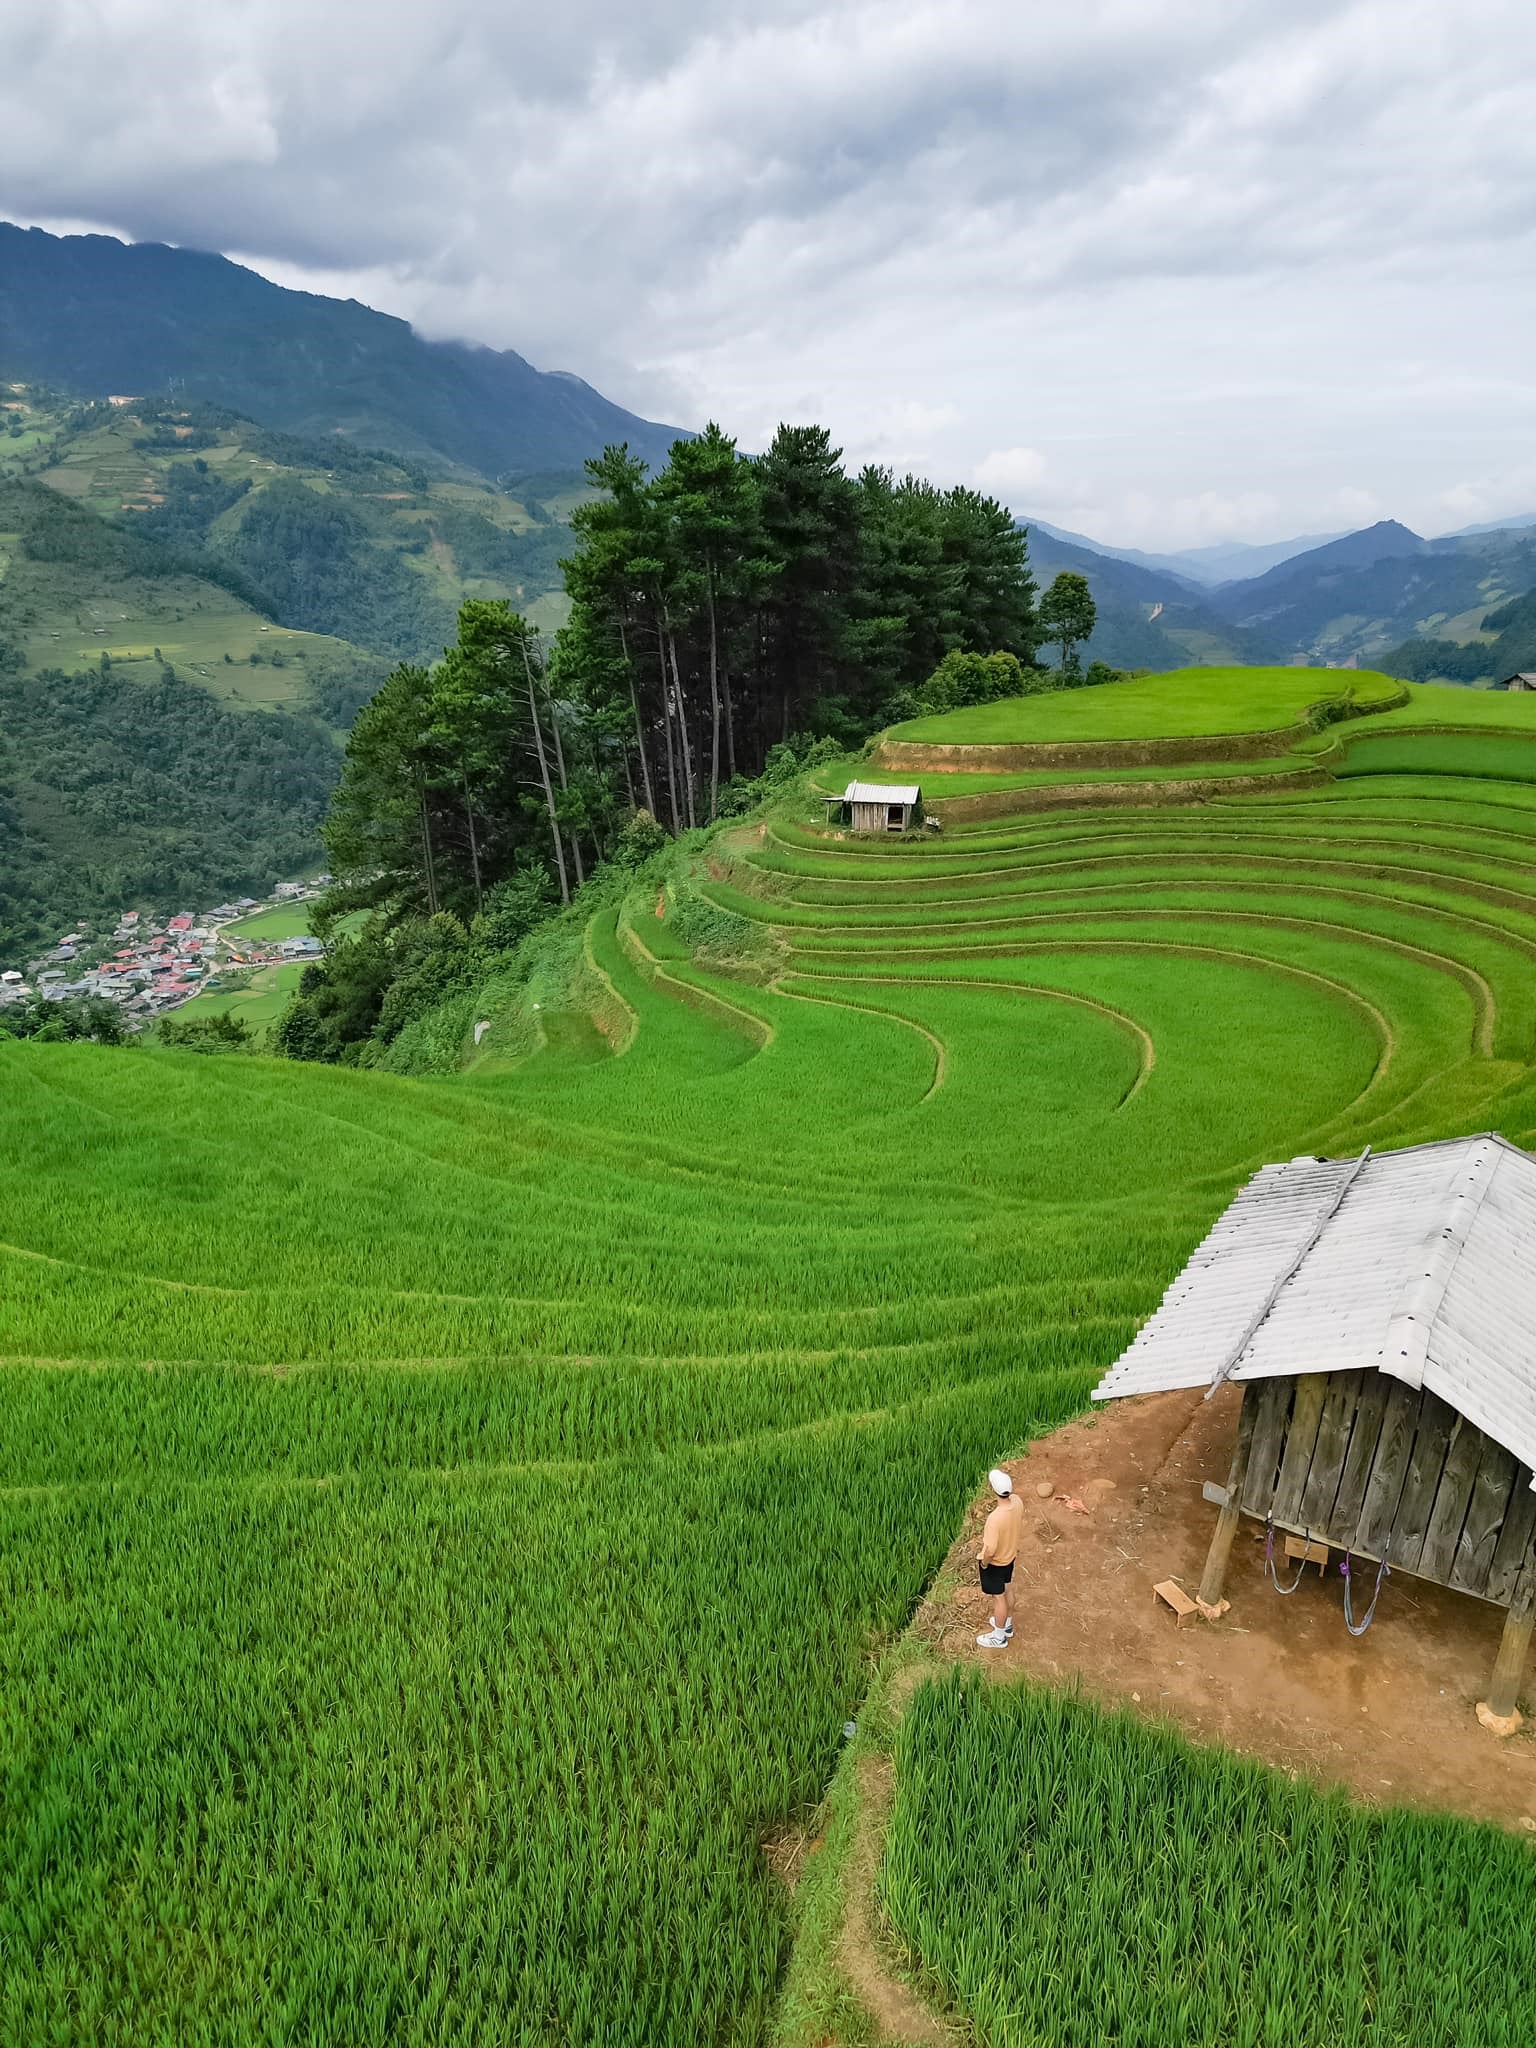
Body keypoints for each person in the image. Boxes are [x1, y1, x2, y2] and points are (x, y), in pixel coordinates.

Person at [976, 1465, 1023, 1649]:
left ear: (993, 1490)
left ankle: (999, 1637)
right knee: (1008, 1589)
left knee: (999, 1598)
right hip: (1010, 1557)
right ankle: (1007, 1625)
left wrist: (985, 1564)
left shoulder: (994, 1519)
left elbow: (990, 1549)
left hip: (996, 1563)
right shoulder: (1017, 1502)